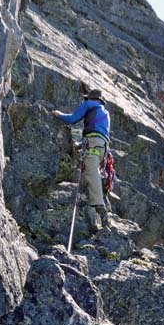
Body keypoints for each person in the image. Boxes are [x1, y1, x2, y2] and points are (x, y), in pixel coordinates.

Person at [52, 89, 110, 232]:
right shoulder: (105, 113)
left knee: (90, 172)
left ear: (90, 99)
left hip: (93, 144)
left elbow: (72, 118)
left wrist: (59, 115)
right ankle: (95, 207)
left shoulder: (89, 105)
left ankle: (99, 207)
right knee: (92, 170)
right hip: (102, 147)